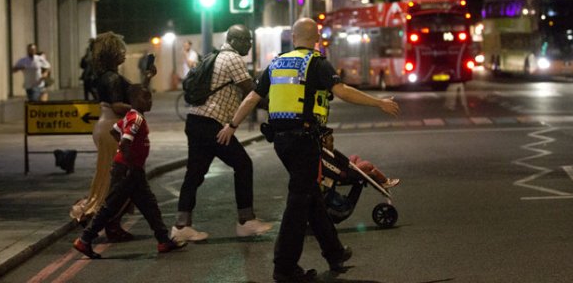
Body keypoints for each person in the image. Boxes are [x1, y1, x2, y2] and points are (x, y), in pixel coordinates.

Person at [217, 18, 400, 282]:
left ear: (293, 36)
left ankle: (334, 252)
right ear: (316, 37)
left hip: (281, 141)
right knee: (298, 201)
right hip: (303, 140)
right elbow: (343, 91)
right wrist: (378, 103)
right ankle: (284, 267)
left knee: (311, 195)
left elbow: (252, 97)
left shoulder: (277, 63)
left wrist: (231, 125)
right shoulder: (317, 63)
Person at [170, 25, 273, 243]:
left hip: (196, 120)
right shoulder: (233, 59)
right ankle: (246, 221)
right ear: (234, 40)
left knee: (195, 173)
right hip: (211, 123)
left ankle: (181, 226)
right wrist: (276, 106)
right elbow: (251, 93)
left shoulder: (215, 56)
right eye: (246, 40)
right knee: (243, 164)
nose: (250, 44)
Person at [73, 84, 187, 259]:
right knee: (110, 207)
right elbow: (125, 142)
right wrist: (130, 161)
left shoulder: (130, 116)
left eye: (150, 97)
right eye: (145, 98)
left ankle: (163, 240)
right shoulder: (136, 120)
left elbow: (114, 131)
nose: (149, 101)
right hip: (128, 170)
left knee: (150, 206)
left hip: (131, 170)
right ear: (133, 100)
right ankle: (84, 239)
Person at [69, 32, 156, 243]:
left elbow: (137, 97)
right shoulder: (112, 78)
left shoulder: (107, 76)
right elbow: (119, 104)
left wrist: (147, 78)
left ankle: (111, 223)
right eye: (120, 49)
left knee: (117, 178)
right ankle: (109, 223)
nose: (123, 52)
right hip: (113, 128)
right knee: (119, 179)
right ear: (111, 53)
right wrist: (136, 109)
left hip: (108, 126)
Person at [321, 130, 399, 189]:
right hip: (345, 172)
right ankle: (385, 182)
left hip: (343, 167)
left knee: (355, 157)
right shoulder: (326, 154)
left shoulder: (327, 153)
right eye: (331, 142)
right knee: (367, 164)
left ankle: (366, 172)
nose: (333, 144)